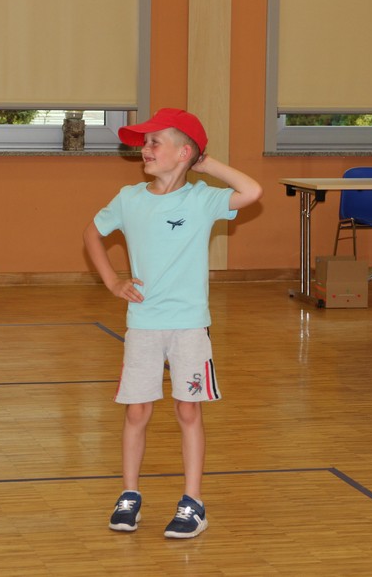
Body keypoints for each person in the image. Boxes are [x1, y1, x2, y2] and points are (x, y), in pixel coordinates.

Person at [83, 108, 262, 539]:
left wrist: (206, 163)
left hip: (189, 326)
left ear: (183, 153)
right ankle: (129, 495)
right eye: (144, 143)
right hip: (143, 323)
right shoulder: (129, 198)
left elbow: (252, 191)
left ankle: (192, 502)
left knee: (187, 409)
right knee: (137, 411)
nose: (145, 150)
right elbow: (92, 233)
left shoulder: (202, 200)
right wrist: (112, 282)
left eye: (154, 143)